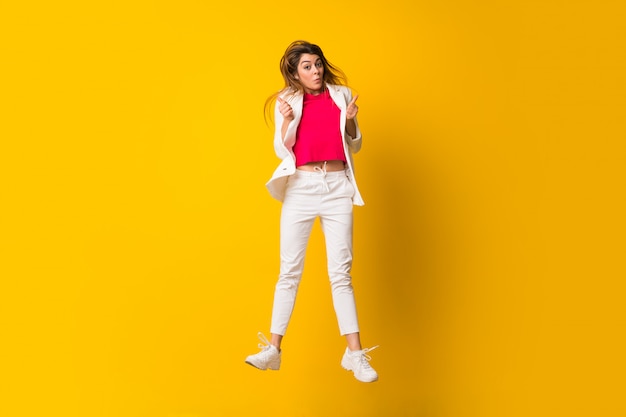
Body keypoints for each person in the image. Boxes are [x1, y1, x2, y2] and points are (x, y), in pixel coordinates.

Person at [244, 40, 378, 383]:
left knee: (341, 273)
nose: (315, 71)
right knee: (289, 271)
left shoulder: (342, 94)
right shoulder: (286, 101)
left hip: (336, 187)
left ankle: (354, 354)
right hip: (301, 187)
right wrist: (288, 121)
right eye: (307, 66)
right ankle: (273, 350)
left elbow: (355, 143)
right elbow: (281, 148)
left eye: (318, 64)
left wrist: (350, 121)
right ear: (294, 72)